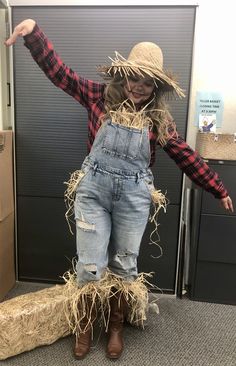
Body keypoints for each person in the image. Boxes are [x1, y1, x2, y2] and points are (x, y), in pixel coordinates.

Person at [5, 19, 234, 360]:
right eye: (133, 77)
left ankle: (115, 326)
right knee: (89, 267)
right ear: (123, 74)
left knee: (125, 268)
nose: (137, 86)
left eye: (146, 81)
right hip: (93, 193)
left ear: (156, 85)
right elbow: (61, 75)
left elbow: (185, 155)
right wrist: (34, 34)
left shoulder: (159, 120)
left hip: (133, 199)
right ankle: (84, 325)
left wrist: (217, 187)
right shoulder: (98, 96)